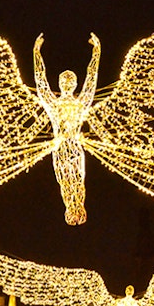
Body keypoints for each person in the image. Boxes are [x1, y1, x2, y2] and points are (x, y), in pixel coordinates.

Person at [32, 33, 101, 225]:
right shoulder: (53, 104)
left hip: (76, 146)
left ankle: (79, 208)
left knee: (78, 179)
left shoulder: (81, 103)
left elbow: (91, 80)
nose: (68, 84)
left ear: (75, 84)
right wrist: (36, 53)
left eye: (71, 81)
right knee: (64, 181)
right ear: (60, 84)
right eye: (64, 81)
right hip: (60, 146)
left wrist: (96, 52)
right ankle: (70, 210)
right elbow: (40, 82)